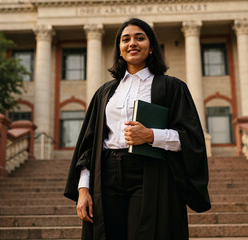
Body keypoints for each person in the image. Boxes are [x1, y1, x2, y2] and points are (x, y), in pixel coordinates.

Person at [64, 18, 211, 240]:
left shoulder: (172, 87)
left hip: (151, 173)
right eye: (126, 39)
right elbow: (89, 145)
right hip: (106, 174)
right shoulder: (105, 93)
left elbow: (191, 139)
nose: (132, 43)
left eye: (140, 38)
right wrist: (83, 189)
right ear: (120, 50)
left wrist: (152, 135)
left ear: (151, 47)